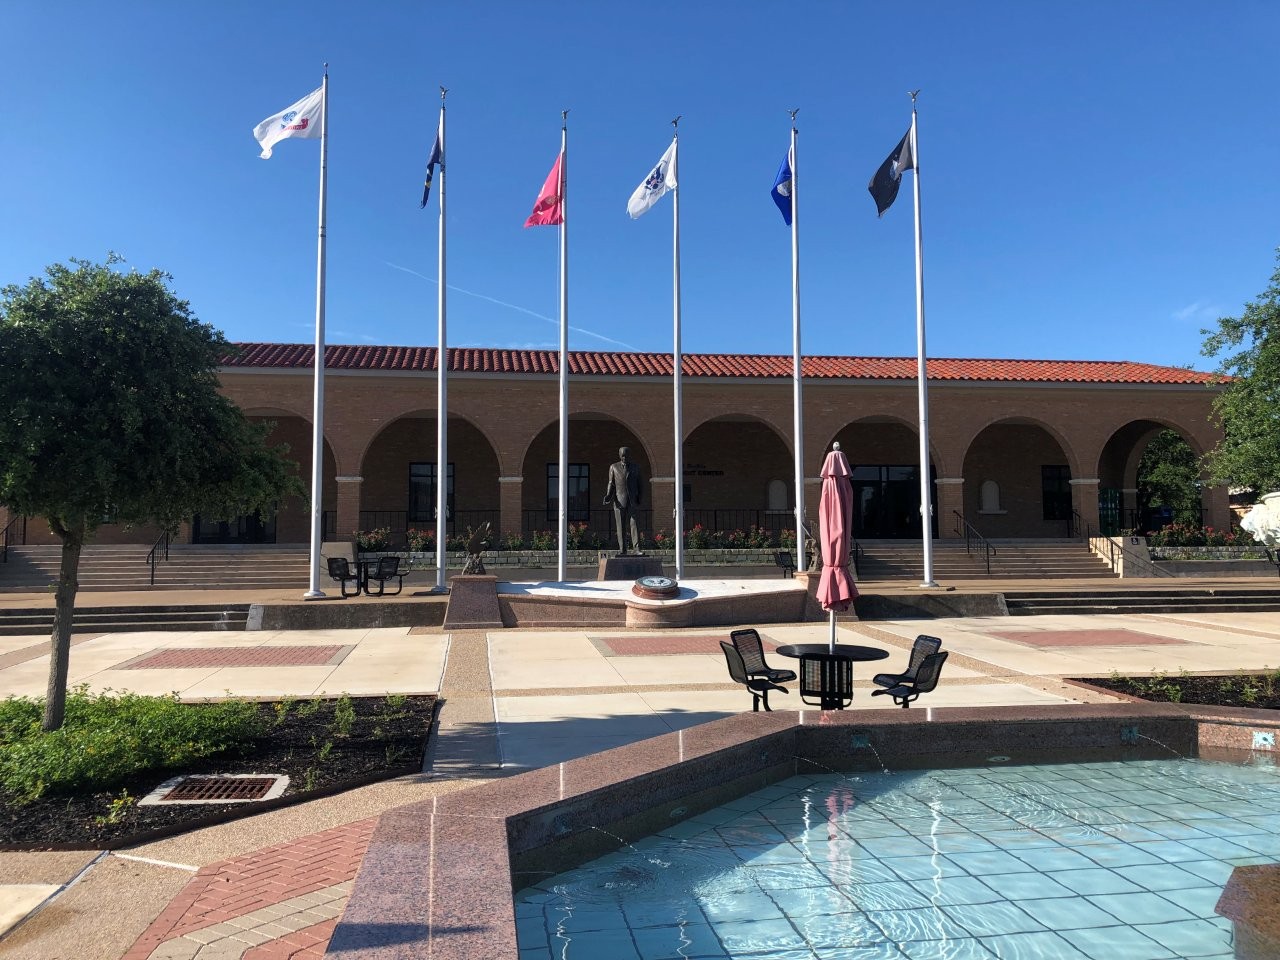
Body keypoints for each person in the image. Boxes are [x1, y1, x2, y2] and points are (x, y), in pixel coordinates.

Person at [603, 446, 643, 555]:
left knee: (634, 523)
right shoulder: (614, 467)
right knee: (620, 526)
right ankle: (622, 549)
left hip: (632, 500)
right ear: (619, 455)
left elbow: (640, 484)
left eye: (626, 455)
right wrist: (608, 495)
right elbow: (611, 483)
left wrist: (640, 497)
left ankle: (637, 549)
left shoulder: (635, 467)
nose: (625, 457)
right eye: (623, 455)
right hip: (619, 501)